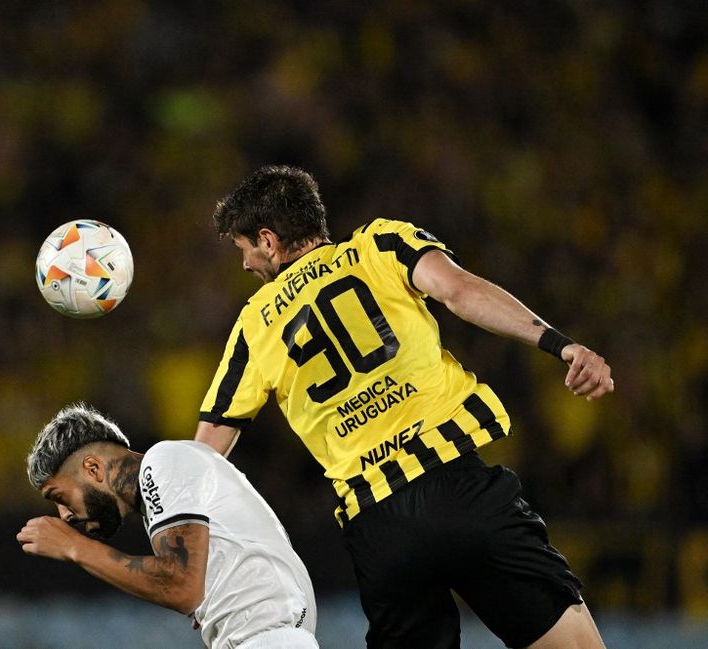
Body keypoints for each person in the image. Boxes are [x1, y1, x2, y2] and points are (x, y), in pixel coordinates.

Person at [194, 165, 611, 649]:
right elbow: (461, 291)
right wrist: (561, 345)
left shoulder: (255, 325)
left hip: (379, 530)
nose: (245, 264)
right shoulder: (380, 246)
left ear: (267, 240)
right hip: (458, 487)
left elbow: (205, 453)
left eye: (243, 248)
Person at [18, 402, 320, 649]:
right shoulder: (165, 498)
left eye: (59, 496)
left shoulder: (163, 461)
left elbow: (181, 588)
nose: (64, 515)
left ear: (93, 468)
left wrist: (74, 547)